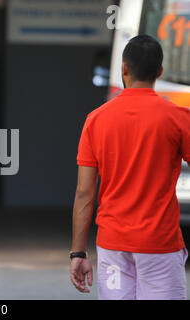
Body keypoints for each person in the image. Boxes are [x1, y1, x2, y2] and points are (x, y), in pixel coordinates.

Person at [69, 35, 190, 300]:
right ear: (159, 71)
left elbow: (84, 193)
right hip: (160, 243)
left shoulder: (96, 120)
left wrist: (78, 252)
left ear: (124, 68)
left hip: (113, 244)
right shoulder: (177, 117)